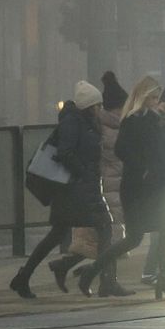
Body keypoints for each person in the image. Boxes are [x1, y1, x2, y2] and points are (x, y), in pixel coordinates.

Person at [10, 82, 115, 299]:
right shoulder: (73, 121)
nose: (100, 109)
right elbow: (65, 152)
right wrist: (83, 173)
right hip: (74, 189)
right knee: (105, 226)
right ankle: (104, 281)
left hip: (79, 188)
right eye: (97, 105)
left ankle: (25, 276)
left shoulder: (85, 122)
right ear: (89, 106)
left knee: (58, 234)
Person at [80, 76, 165, 298]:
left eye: (157, 98)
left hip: (159, 184)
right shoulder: (133, 120)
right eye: (152, 98)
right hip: (140, 188)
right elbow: (122, 150)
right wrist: (143, 168)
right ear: (142, 97)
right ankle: (92, 270)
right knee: (134, 237)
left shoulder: (155, 119)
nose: (155, 102)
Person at [52, 71, 126, 291]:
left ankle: (74, 268)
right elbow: (109, 154)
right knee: (109, 234)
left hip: (105, 184)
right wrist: (85, 173)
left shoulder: (104, 125)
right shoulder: (106, 127)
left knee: (104, 236)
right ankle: (104, 280)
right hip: (104, 185)